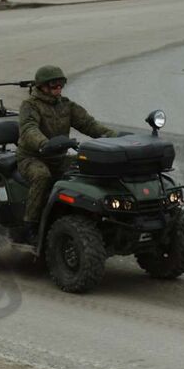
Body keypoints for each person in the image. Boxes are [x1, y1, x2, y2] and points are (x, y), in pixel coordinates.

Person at [16, 65, 118, 242]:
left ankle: (85, 215)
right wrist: (44, 144)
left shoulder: (66, 105)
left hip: (58, 157)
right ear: (42, 86)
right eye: (53, 85)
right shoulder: (30, 106)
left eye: (60, 84)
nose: (58, 89)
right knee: (41, 176)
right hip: (32, 157)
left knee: (87, 169)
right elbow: (28, 129)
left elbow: (89, 124)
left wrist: (114, 137)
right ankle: (30, 226)